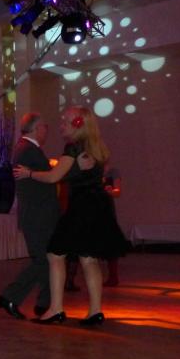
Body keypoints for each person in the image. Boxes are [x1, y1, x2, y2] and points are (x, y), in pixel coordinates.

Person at [14, 106, 129, 326]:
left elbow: (53, 177)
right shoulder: (97, 147)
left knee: (55, 254)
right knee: (89, 259)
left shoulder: (74, 147)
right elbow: (81, 174)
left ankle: (55, 309)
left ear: (78, 124)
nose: (61, 126)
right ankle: (95, 312)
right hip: (98, 205)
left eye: (65, 122)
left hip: (82, 207)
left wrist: (29, 173)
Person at [0, 112, 60, 320]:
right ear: (35, 128)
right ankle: (10, 297)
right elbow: (49, 179)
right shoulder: (27, 150)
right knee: (43, 260)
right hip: (37, 215)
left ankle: (43, 304)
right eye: (44, 126)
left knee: (47, 259)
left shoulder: (26, 149)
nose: (46, 130)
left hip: (38, 214)